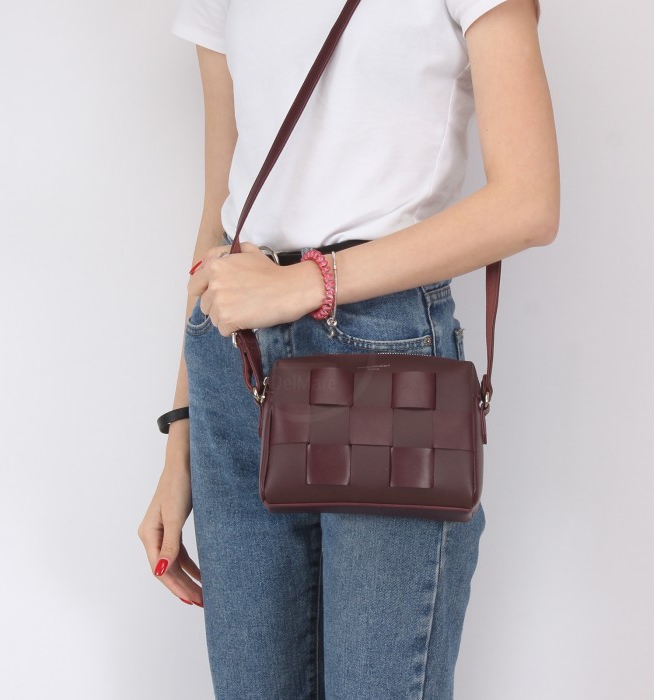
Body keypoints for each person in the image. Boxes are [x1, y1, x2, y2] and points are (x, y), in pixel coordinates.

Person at [137, 0, 559, 696]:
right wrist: (179, 438)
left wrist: (307, 284)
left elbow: (529, 202)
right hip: (235, 359)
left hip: (381, 358)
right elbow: (220, 218)